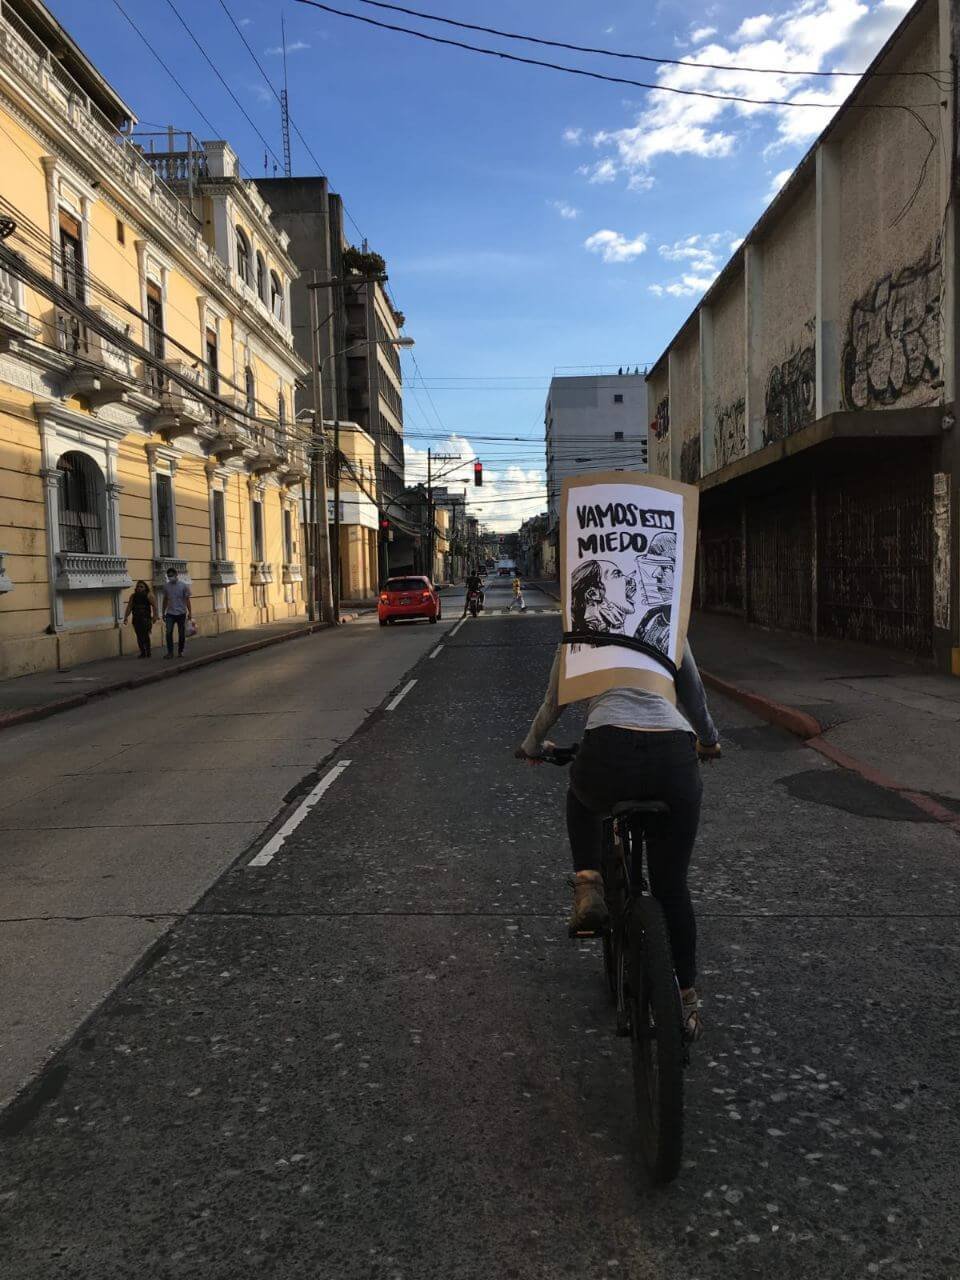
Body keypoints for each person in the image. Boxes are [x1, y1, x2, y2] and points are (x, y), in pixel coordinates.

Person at [516, 638, 721, 1041]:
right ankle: (685, 998)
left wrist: (531, 746)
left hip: (607, 752)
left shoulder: (580, 625)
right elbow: (695, 700)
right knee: (671, 885)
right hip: (673, 759)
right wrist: (709, 742)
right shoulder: (668, 621)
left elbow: (554, 702)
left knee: (581, 797)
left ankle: (589, 885)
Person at [161, 566, 192, 659]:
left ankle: (180, 651)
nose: (170, 577)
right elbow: (165, 599)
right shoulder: (166, 586)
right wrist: (163, 612)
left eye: (172, 575)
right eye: (169, 576)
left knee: (181, 633)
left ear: (176, 575)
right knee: (168, 632)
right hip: (170, 613)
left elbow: (187, 600)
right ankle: (170, 652)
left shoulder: (183, 586)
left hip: (181, 613)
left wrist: (190, 612)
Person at [123, 579, 157, 658]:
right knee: (139, 636)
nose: (139, 588)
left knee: (145, 635)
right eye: (138, 586)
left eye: (141, 587)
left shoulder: (149, 595)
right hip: (136, 618)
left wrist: (155, 616)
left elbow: (154, 606)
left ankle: (148, 651)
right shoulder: (133, 596)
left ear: (145, 588)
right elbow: (129, 607)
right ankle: (143, 652)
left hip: (146, 618)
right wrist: (126, 617)